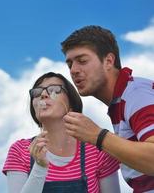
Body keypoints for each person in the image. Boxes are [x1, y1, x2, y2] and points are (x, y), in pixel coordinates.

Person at [61, 25, 154, 192]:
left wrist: (98, 136)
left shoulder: (136, 94)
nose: (74, 70)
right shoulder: (122, 100)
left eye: (82, 61)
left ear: (109, 61)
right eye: (70, 64)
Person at [2, 72, 120, 193]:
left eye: (54, 90)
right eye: (37, 92)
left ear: (71, 105)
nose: (43, 94)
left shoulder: (98, 151)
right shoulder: (20, 151)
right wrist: (40, 167)